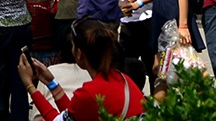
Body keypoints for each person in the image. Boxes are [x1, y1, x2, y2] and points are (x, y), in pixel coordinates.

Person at [14, 20, 143, 120]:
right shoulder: (122, 78)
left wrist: (29, 85)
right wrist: (51, 83)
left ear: (79, 54)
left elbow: (57, 120)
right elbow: (72, 114)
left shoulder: (89, 92)